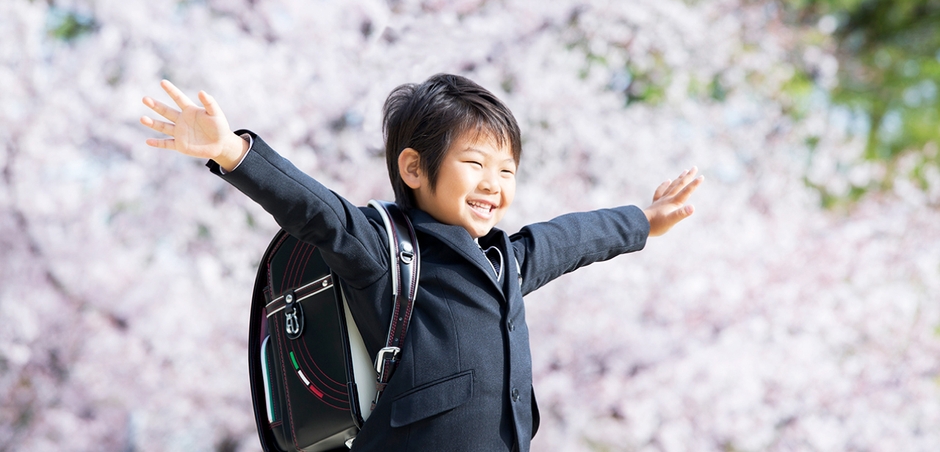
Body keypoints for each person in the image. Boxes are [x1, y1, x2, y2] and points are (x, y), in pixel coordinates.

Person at [140, 74, 703, 451]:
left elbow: (571, 237)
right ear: (414, 168)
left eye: (506, 171)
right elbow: (317, 211)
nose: (494, 184)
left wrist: (644, 220)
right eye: (475, 163)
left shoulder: (506, 260)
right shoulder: (386, 250)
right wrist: (231, 151)